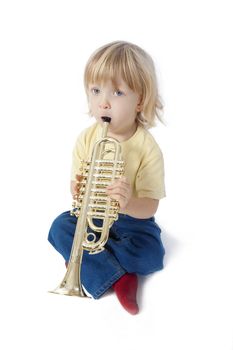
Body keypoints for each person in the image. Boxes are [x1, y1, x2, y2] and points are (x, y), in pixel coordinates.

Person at [48, 41, 166, 315]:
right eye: (96, 90)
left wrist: (127, 204)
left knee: (152, 255)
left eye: (117, 92)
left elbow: (150, 205)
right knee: (59, 227)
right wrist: (77, 188)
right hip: (93, 216)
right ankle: (122, 277)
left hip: (132, 223)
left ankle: (88, 263)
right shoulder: (87, 138)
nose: (103, 101)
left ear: (140, 101)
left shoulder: (147, 147)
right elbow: (75, 185)